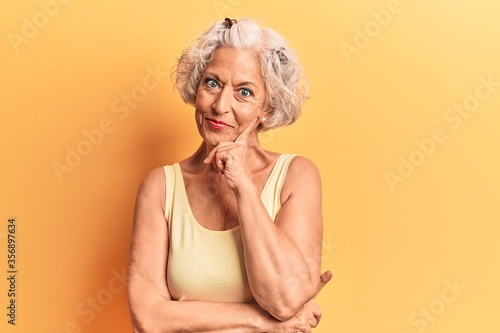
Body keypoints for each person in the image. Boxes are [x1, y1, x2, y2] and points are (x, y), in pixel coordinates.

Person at [127, 17, 332, 333]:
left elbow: (285, 300)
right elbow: (148, 318)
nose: (220, 105)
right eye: (212, 83)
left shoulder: (296, 176)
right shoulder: (160, 186)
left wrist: (243, 187)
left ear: (268, 107)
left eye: (245, 92)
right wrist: (262, 322)